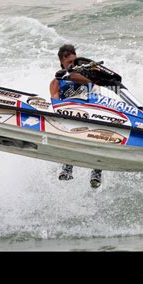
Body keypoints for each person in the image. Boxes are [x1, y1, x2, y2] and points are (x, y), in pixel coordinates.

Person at [49, 44, 103, 188]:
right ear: (62, 63)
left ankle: (96, 173)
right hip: (70, 113)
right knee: (70, 133)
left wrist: (75, 73)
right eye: (69, 63)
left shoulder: (85, 75)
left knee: (99, 137)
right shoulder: (56, 82)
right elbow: (54, 102)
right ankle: (67, 168)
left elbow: (93, 82)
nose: (72, 65)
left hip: (91, 111)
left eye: (74, 61)